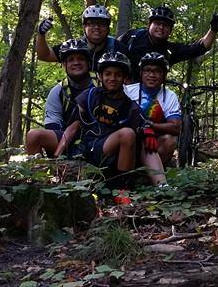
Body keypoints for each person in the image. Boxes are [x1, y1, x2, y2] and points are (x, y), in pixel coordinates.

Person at [57, 51, 167, 186]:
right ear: (100, 76)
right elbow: (72, 127)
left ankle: (159, 185)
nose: (112, 78)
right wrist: (56, 158)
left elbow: (143, 125)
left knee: (138, 138)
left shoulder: (130, 106)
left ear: (125, 78)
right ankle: (121, 185)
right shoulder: (89, 96)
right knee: (127, 133)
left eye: (118, 74)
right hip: (86, 148)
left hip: (109, 152)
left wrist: (147, 130)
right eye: (108, 74)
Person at [25, 39, 93, 157]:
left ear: (88, 62)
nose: (76, 63)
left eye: (81, 59)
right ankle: (41, 172)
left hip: (99, 138)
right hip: (67, 140)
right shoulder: (58, 91)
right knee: (33, 135)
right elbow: (52, 126)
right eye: (71, 60)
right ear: (64, 65)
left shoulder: (103, 83)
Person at [118, 4, 218, 78]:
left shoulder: (170, 50)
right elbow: (111, 51)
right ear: (149, 25)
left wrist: (214, 29)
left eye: (166, 25)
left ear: (170, 31)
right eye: (157, 23)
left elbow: (199, 48)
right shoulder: (132, 37)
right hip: (125, 91)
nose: (161, 27)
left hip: (154, 96)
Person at [124, 52, 182, 167]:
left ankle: (152, 175)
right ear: (141, 73)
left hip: (154, 141)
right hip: (130, 139)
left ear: (164, 75)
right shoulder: (127, 90)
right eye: (147, 70)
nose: (152, 75)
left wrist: (151, 126)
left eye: (157, 71)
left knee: (169, 140)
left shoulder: (169, 96)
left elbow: (176, 127)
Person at [36, 5, 129, 73]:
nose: (96, 27)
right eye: (91, 23)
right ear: (84, 27)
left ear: (108, 27)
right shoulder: (74, 46)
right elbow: (44, 56)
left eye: (102, 23)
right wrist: (41, 34)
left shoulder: (119, 48)